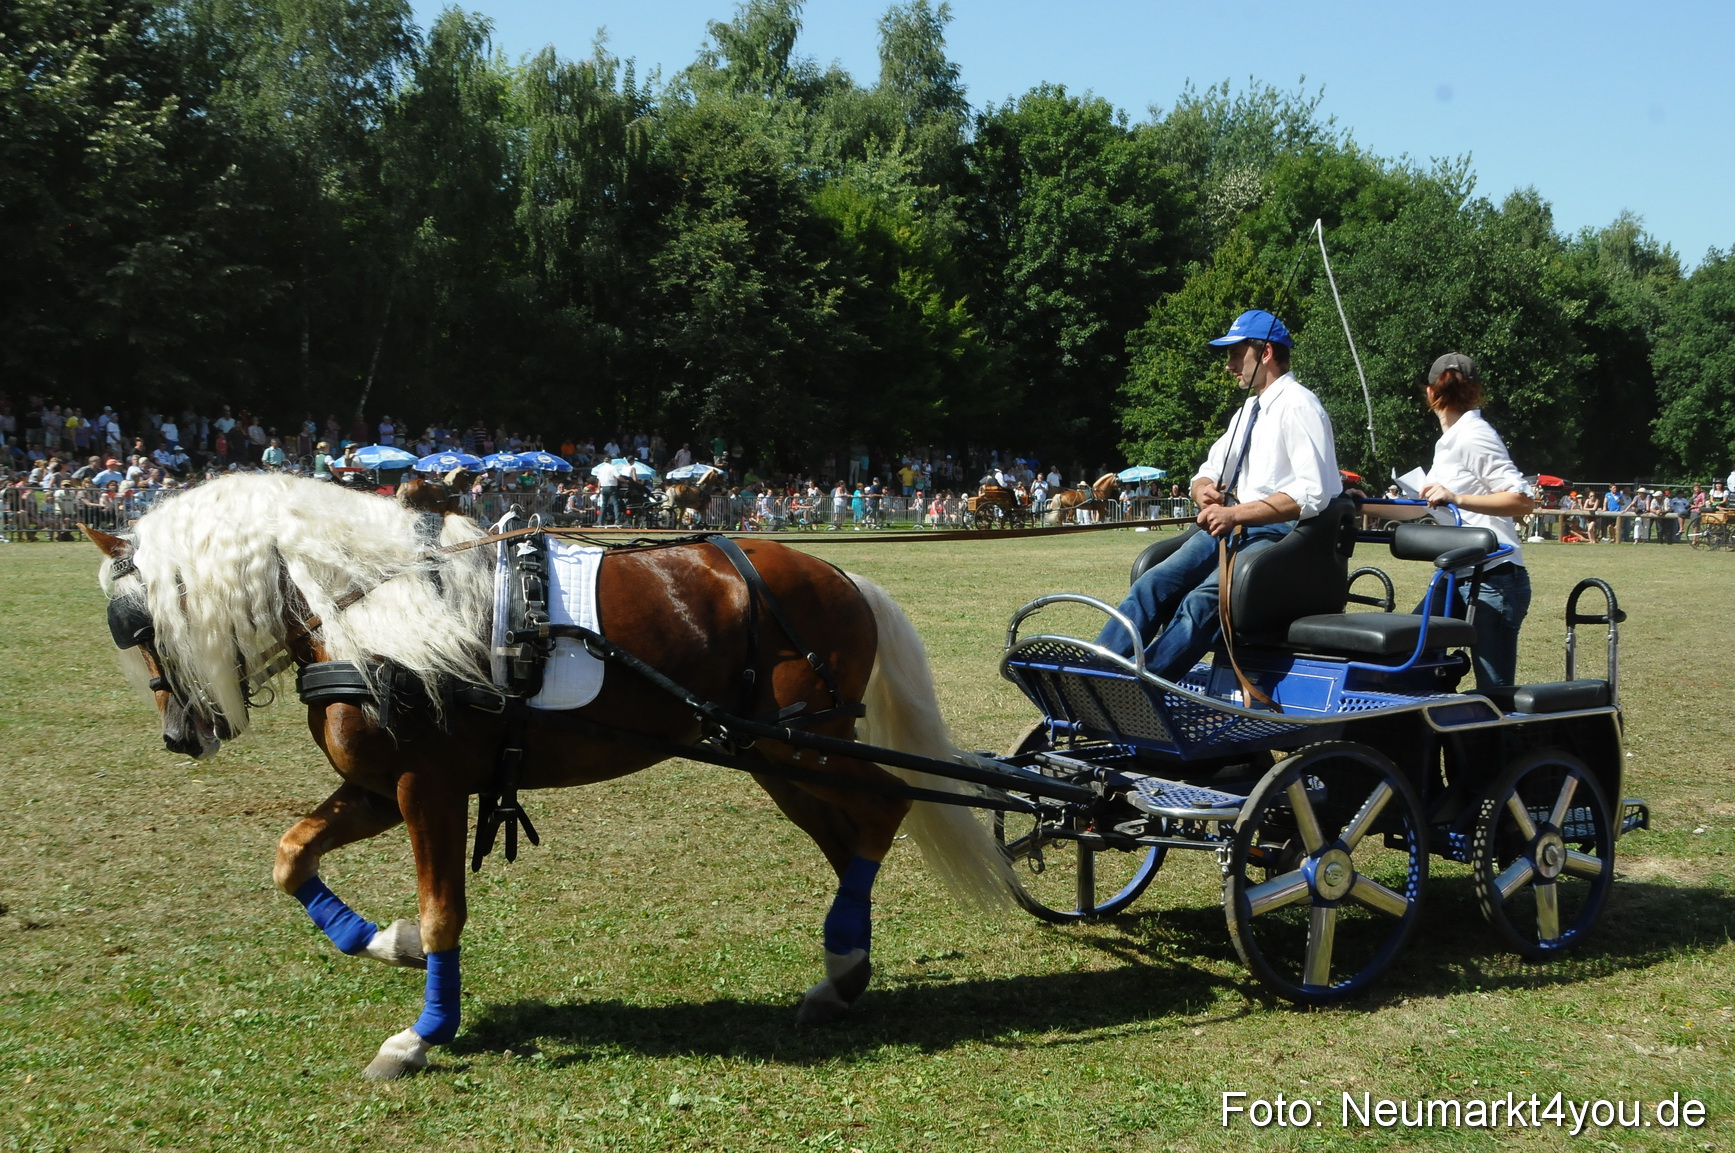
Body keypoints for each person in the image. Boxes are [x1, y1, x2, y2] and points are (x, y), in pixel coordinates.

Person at [1098, 309, 1340, 681]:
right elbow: (1209, 469)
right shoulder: (1248, 411)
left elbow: (1312, 494)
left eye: (1235, 354)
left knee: (1200, 603)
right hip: (1236, 529)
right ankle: (1098, 674)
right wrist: (1202, 490)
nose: (1229, 366)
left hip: (1285, 537)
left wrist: (1234, 515)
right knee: (1152, 584)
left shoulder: (1300, 406)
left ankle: (1145, 688)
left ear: (1266, 353)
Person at [1416, 353, 1534, 689]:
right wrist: (1357, 501)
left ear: (1429, 393)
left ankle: (1497, 739)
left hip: (1495, 579)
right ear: (1476, 390)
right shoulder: (1450, 442)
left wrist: (1456, 497)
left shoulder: (1473, 434)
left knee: (1494, 688)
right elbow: (1419, 506)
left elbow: (1521, 501)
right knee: (1408, 644)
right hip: (1458, 575)